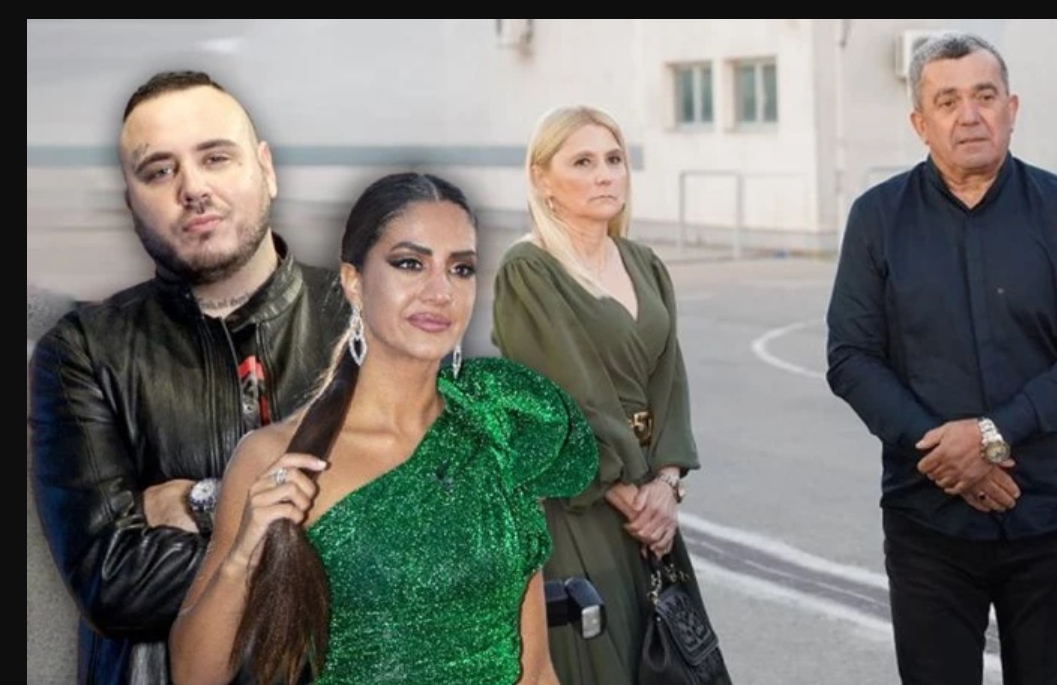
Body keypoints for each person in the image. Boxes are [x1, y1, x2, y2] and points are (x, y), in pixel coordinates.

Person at [168, 171, 599, 685]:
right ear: (354, 281)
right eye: (410, 264)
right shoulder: (274, 458)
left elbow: (536, 670)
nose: (440, 292)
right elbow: (194, 675)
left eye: (460, 269)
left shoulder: (498, 433)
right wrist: (243, 555)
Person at [28, 70, 352, 685]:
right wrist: (318, 531)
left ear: (266, 169)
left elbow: (428, 538)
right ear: (131, 202)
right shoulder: (80, 353)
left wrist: (201, 502)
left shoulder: (366, 321)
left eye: (215, 158)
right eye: (159, 171)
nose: (193, 188)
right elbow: (110, 581)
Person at [825, 32, 1057, 685]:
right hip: (927, 520)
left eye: (984, 96)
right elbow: (851, 356)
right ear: (919, 123)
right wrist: (948, 458)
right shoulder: (877, 217)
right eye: (947, 100)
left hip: (1047, 516)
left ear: (1011, 109)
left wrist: (989, 436)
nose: (969, 115)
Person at [490, 105, 733, 685]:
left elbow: (670, 380)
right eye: (583, 162)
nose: (605, 175)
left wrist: (667, 485)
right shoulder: (529, 270)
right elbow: (570, 396)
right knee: (604, 661)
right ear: (542, 179)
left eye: (614, 159)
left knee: (671, 660)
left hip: (650, 499)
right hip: (583, 502)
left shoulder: (644, 263)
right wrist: (632, 496)